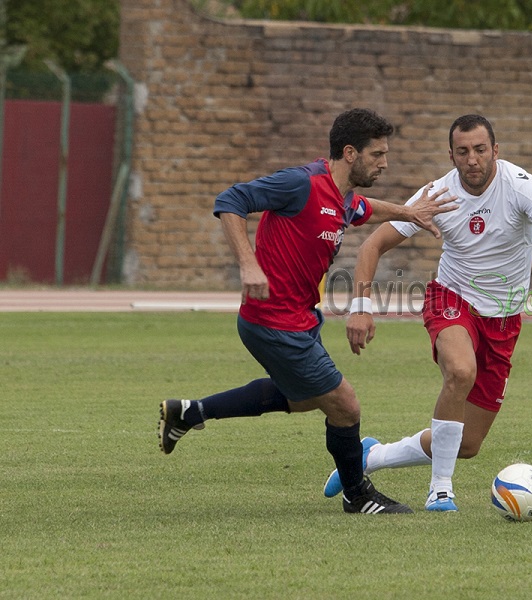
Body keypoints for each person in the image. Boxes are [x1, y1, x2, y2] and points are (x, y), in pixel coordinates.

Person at [157, 108, 458, 515]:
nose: (384, 163)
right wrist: (248, 263)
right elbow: (231, 200)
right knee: (345, 404)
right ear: (350, 153)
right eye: (377, 155)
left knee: (302, 399)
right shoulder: (301, 183)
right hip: (273, 323)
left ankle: (192, 412)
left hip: (297, 319)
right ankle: (358, 494)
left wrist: (408, 213)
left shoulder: (342, 196)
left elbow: (363, 209)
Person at [322, 114, 532, 512]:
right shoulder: (438, 194)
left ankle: (369, 457)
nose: (472, 159)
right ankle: (440, 489)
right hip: (451, 299)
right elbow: (371, 247)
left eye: (480, 150)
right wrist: (360, 308)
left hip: (504, 319)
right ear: (451, 155)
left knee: (467, 444)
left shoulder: (520, 187)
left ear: (495, 150)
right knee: (460, 370)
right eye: (462, 152)